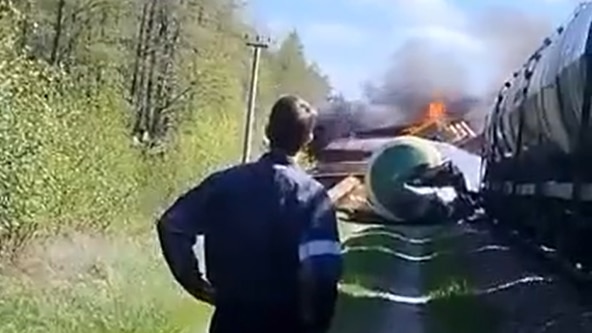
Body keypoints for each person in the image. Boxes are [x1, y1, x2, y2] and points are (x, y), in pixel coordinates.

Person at [156, 95, 343, 333]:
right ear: (307, 139)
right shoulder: (313, 198)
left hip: (231, 320)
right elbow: (323, 275)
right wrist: (317, 324)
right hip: (288, 322)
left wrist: (196, 285)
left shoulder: (224, 184)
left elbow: (172, 225)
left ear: (267, 130)